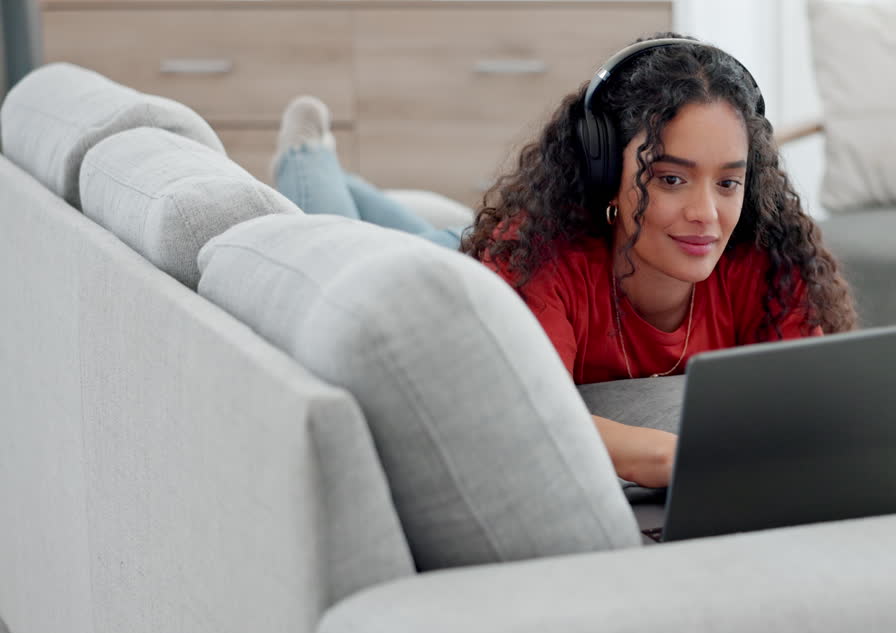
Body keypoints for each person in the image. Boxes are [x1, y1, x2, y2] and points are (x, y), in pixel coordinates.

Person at [270, 34, 857, 489]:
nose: (707, 214)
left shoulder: (770, 261)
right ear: (607, 170)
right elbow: (522, 417)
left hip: (477, 244)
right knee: (354, 242)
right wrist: (678, 457)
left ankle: (372, 191)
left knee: (428, 230)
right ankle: (308, 152)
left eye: (728, 182)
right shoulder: (540, 260)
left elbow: (815, 409)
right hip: (478, 270)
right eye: (671, 178)